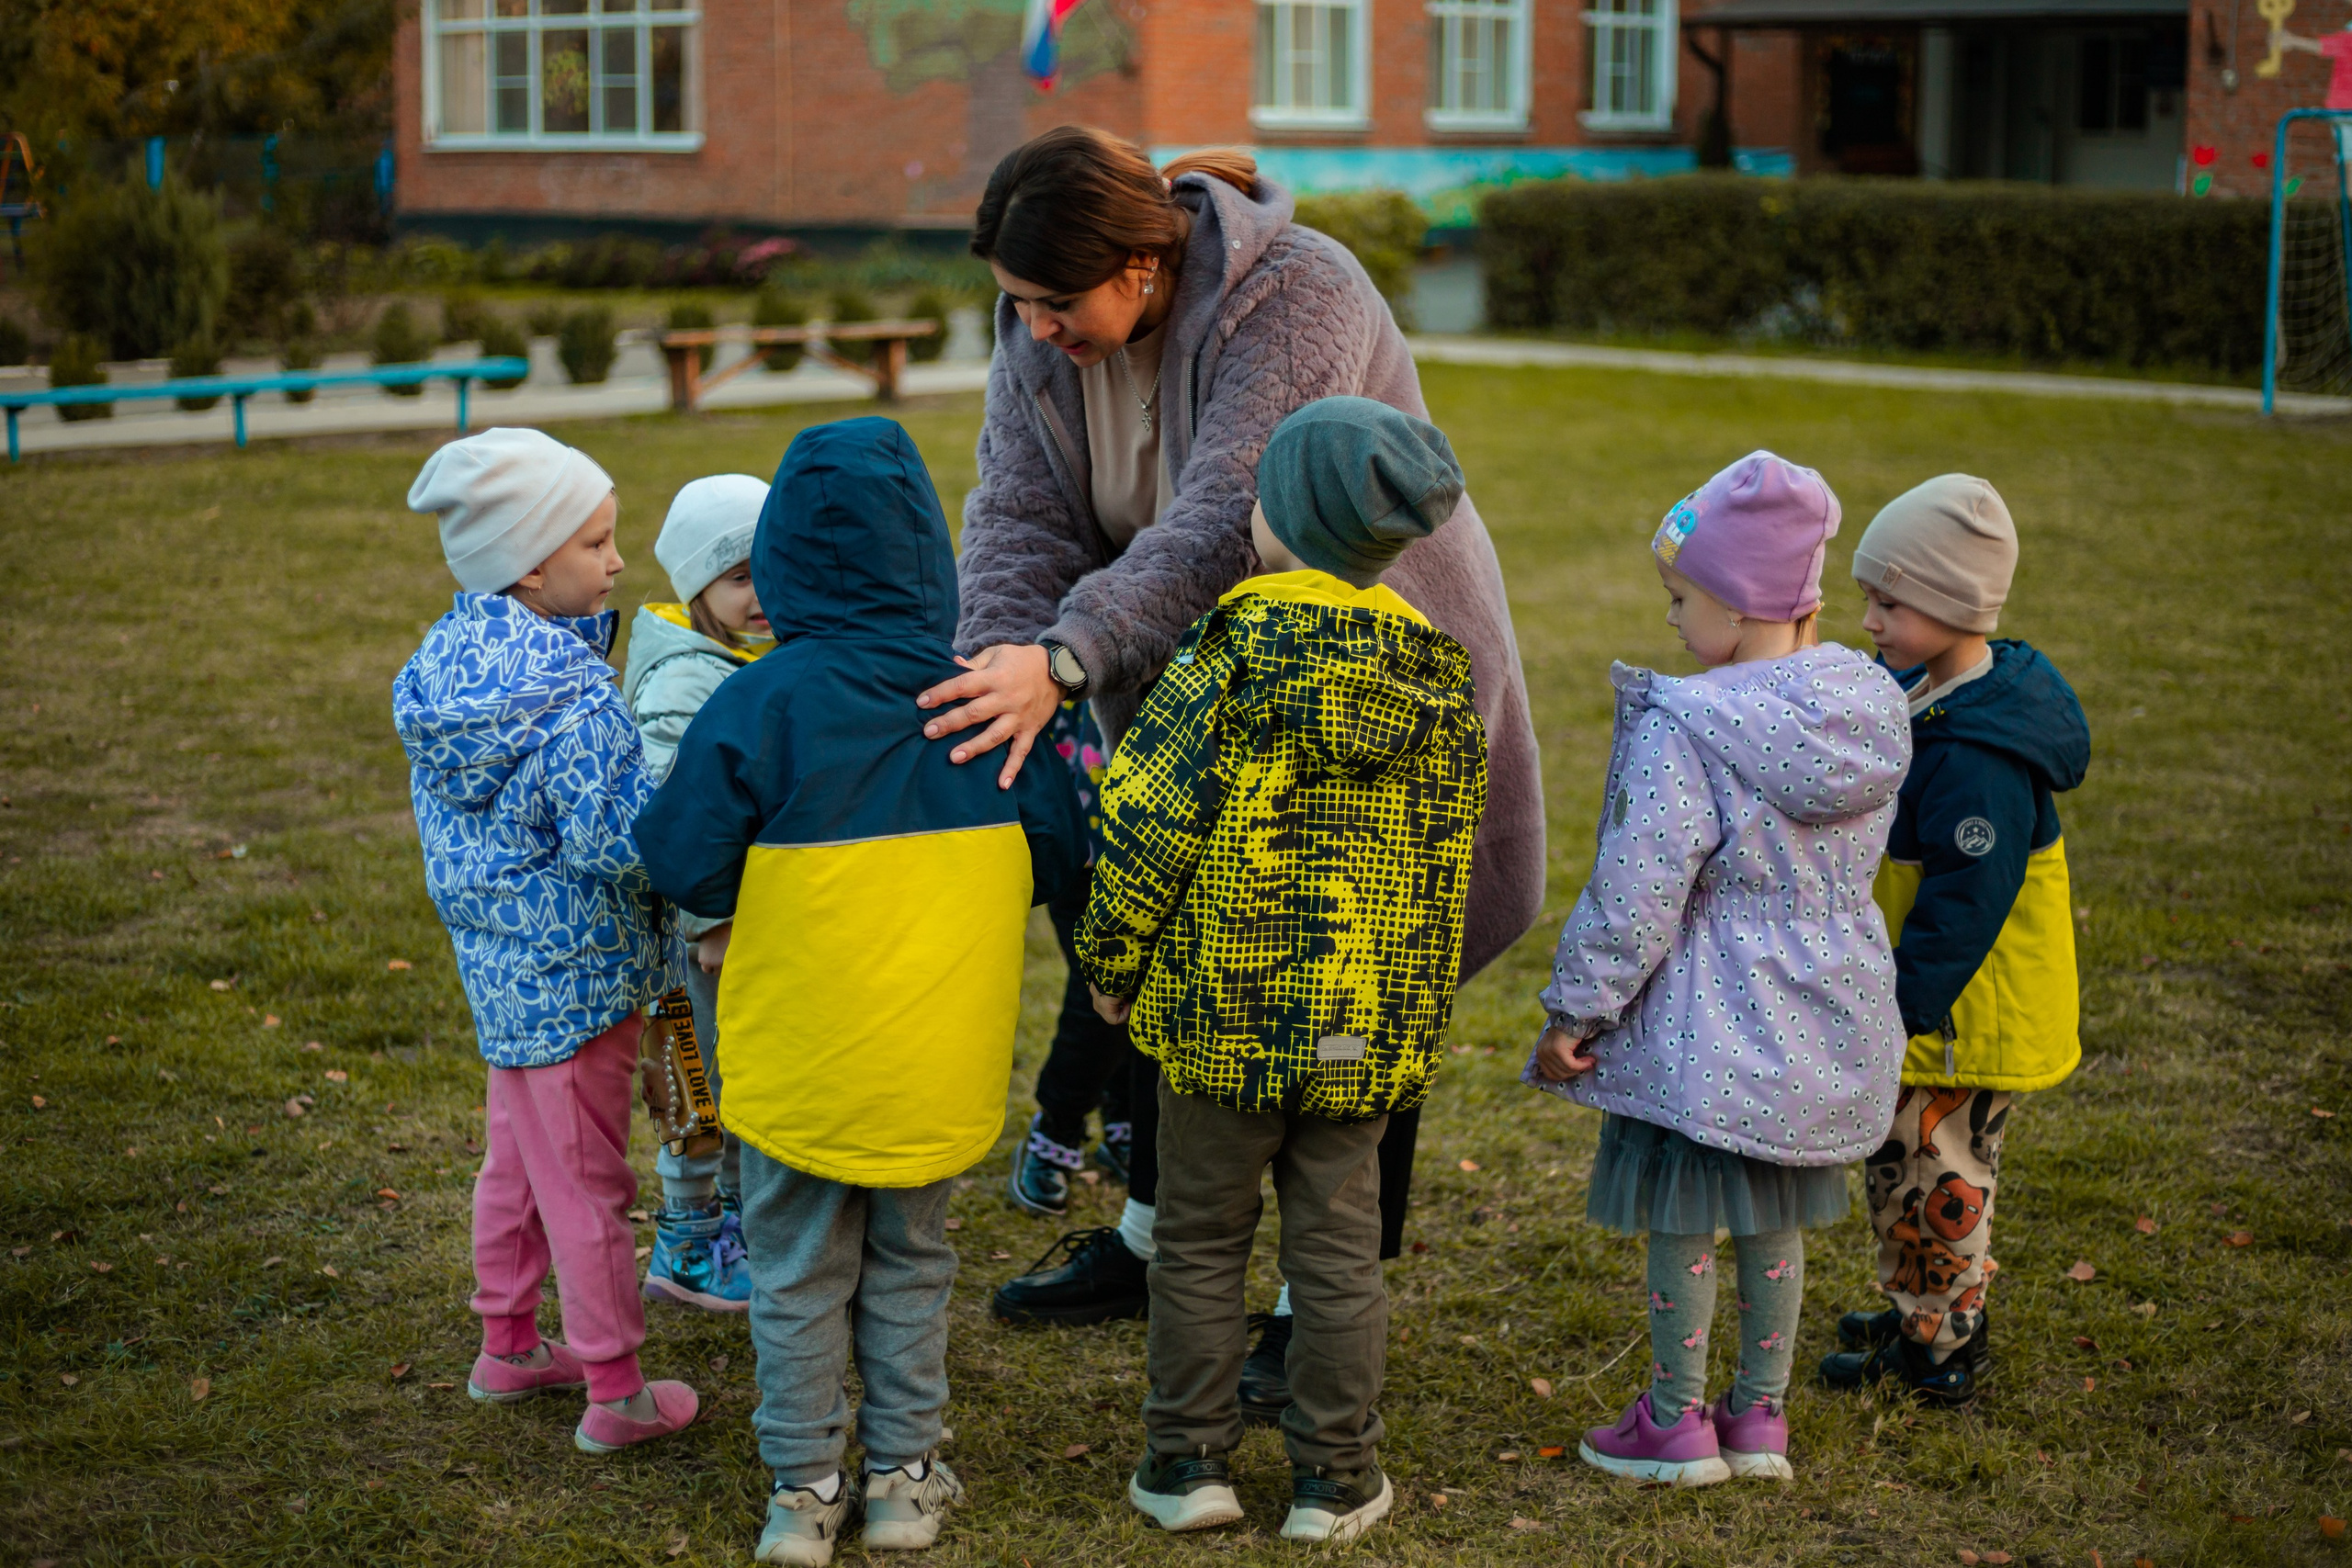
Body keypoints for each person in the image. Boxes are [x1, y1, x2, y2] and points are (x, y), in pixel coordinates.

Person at [940, 125, 1545, 1354]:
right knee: (1178, 944)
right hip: (1189, 679)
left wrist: (1067, 655)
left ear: (1139, 263)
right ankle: (1153, 1242)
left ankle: (1313, 1308)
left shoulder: (1300, 289)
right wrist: (995, 668)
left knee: (1361, 972)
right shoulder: (1037, 336)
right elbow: (1016, 512)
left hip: (1370, 683)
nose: (1036, 329)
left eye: (1056, 302)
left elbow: (1231, 516)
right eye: (1017, 304)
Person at [632, 418, 1086, 1568]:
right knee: (912, 1265)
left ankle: (804, 1492)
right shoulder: (981, 704)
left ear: (783, 558)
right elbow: (1060, 852)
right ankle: (902, 1480)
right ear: (929, 555)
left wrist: (743, 891)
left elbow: (678, 853)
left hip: (796, 1059)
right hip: (935, 1056)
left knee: (793, 1272)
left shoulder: (759, 702)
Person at [1078, 397, 1487, 1543]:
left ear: (1281, 519)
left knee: (1201, 1240)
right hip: (1357, 1032)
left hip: (1224, 1020)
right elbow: (1441, 867)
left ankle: (1185, 1463)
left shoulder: (1228, 652)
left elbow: (1147, 816)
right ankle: (1334, 1480)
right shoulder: (1437, 675)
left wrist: (1111, 960)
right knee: (1338, 1250)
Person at [1525, 452, 1911, 1488]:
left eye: (1680, 598)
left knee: (1686, 1216)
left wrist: (1578, 1011)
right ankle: (1759, 1415)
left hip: (1709, 1020)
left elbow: (1639, 887)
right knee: (1775, 1212)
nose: (1670, 620)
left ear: (1738, 606)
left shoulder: (1688, 724)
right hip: (1821, 1012)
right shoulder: (1868, 713)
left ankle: (1674, 1421)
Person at [393, 426, 698, 1455]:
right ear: (529, 564)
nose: (617, 560)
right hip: (582, 979)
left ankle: (510, 1344)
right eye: (596, 542)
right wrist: (682, 801)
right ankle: (616, 1390)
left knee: (519, 1165)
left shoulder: (445, 670)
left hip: (503, 975)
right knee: (588, 1187)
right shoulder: (575, 702)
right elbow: (620, 845)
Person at [1819, 475, 2089, 1405]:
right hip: (1933, 1006)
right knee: (1908, 1171)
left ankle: (1939, 1350)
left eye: (1888, 604)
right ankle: (1925, 1310)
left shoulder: (1978, 757)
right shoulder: (1935, 691)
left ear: (1952, 605)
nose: (1869, 621)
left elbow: (1964, 909)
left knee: (1933, 1176)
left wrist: (1899, 1011)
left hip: (1956, 1013)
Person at [619, 472, 774, 1312]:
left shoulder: (748, 655)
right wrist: (710, 913)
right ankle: (686, 1239)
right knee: (692, 1077)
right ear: (696, 587)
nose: (761, 594)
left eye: (771, 568)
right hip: (688, 933)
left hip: (741, 923)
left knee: (740, 1073)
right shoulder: (685, 680)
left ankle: (742, 1225)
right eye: (739, 576)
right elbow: (673, 810)